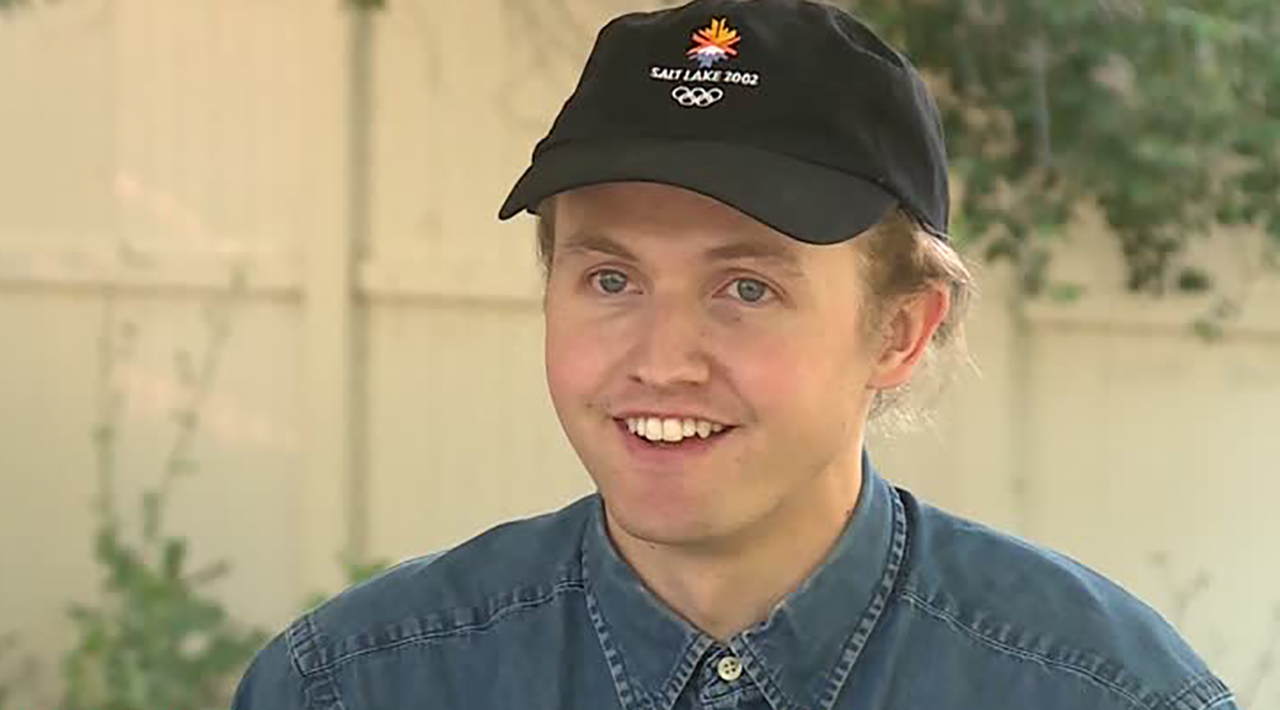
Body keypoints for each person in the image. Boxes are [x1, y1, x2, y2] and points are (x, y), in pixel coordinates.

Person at [232, 1, 1238, 708]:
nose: (662, 360)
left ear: (899, 330)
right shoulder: (353, 684)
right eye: (611, 278)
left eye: (746, 288)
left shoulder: (1103, 691)